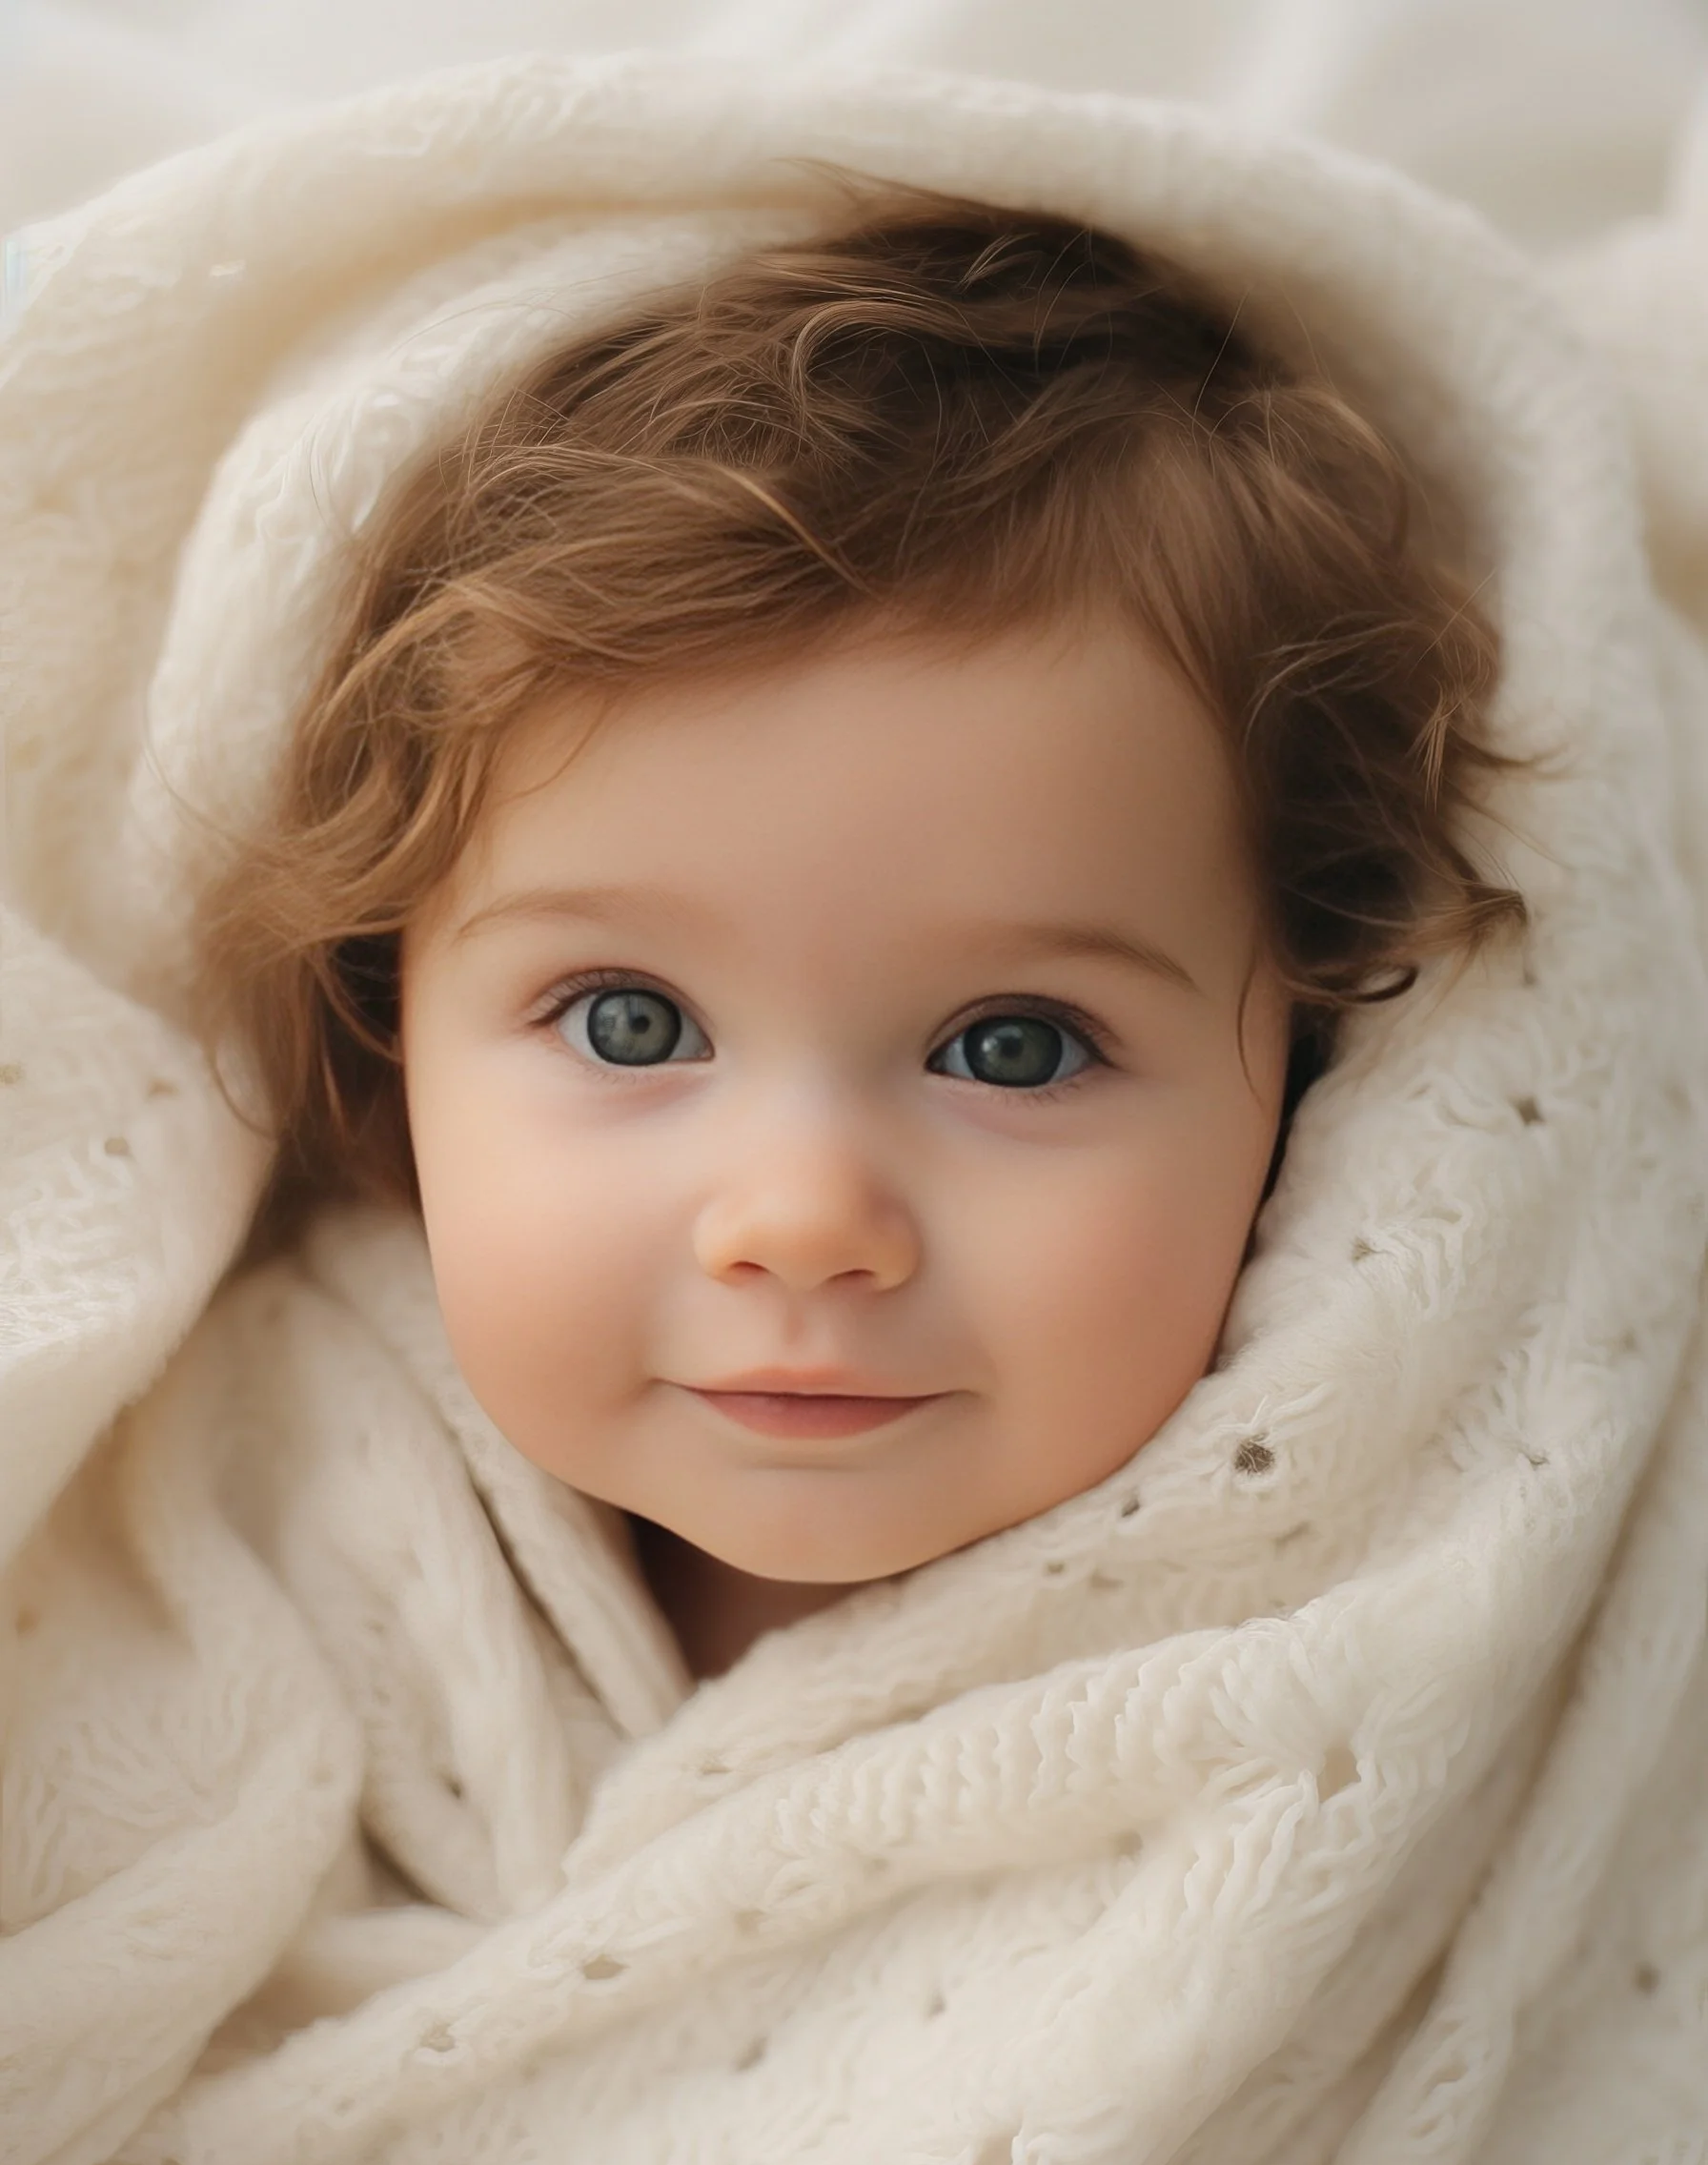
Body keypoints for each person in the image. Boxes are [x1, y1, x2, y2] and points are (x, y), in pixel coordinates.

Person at [188, 173, 1526, 1685]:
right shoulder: (223, 1535)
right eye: (631, 1021)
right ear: (385, 1014)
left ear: (1308, 1048)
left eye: (1012, 1049)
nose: (804, 1222)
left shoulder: (1396, 1639)